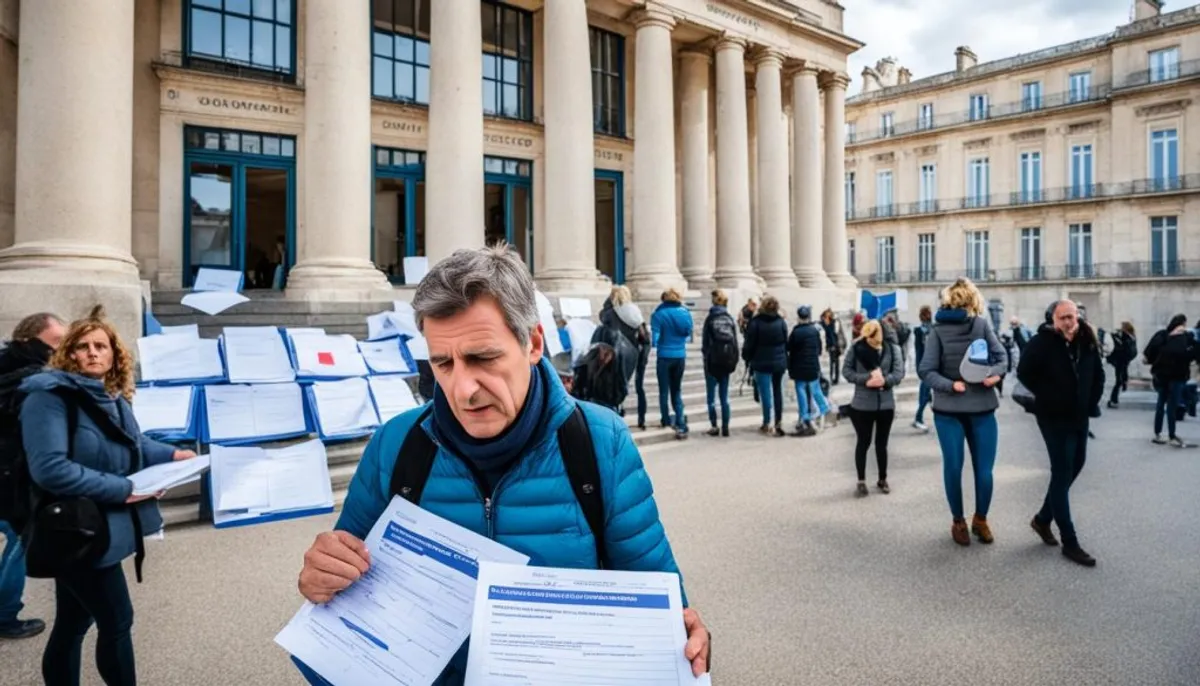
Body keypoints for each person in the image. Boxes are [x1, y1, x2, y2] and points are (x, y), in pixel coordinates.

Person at [294, 246, 710, 684]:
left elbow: (660, 602)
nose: (462, 389)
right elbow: (342, 581)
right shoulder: (396, 444)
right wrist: (322, 578)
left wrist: (686, 641)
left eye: (482, 358)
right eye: (443, 363)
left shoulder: (600, 442)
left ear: (532, 343)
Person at [19, 306, 198, 684]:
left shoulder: (112, 395)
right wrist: (125, 489)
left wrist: (173, 455)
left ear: (115, 354)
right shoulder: (49, 397)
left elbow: (133, 444)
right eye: (82, 346)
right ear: (69, 353)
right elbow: (50, 469)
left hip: (98, 527)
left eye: (101, 345)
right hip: (74, 528)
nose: (93, 352)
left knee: (74, 620)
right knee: (117, 620)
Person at [918, 277, 1008, 547]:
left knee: (953, 467)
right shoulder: (981, 324)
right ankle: (980, 521)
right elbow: (1002, 357)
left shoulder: (936, 330)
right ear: (973, 300)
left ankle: (959, 522)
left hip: (948, 410)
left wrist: (948, 385)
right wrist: (993, 375)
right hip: (981, 407)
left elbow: (926, 370)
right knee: (985, 470)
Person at [1018, 300, 1105, 567]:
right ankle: (1070, 541)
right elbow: (1024, 373)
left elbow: (1098, 374)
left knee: (1077, 465)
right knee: (1061, 471)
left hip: (1079, 416)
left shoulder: (1086, 338)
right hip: (1053, 418)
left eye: (1073, 317)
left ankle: (1043, 518)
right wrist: (1049, 398)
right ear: (1052, 319)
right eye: (1064, 317)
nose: (1069, 322)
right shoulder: (1041, 343)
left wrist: (1090, 402)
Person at [0, 313, 66, 640]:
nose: (60, 351)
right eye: (55, 343)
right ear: (29, 341)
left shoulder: (7, 365)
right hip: (12, 478)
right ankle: (5, 614)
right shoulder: (32, 381)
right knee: (20, 541)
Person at [843, 320, 904, 497]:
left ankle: (882, 478)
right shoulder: (856, 348)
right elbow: (846, 371)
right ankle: (861, 481)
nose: (874, 344)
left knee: (882, 444)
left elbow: (899, 373)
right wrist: (866, 378)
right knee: (863, 442)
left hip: (885, 403)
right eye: (870, 340)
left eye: (876, 340)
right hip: (862, 404)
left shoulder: (893, 349)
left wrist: (885, 380)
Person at [597, 285, 650, 429]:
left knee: (615, 386)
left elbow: (603, 326)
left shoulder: (609, 313)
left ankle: (616, 417)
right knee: (639, 387)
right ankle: (642, 419)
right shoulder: (635, 312)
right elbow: (645, 336)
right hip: (634, 355)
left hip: (615, 355)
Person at [1143, 314, 1194, 447]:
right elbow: (1190, 355)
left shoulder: (1162, 335)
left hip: (1161, 375)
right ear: (1182, 324)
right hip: (1177, 376)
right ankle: (1172, 434)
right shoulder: (1185, 337)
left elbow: (1149, 353)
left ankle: (1158, 433)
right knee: (1172, 405)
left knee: (1161, 403)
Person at [743, 295, 789, 437]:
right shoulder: (781, 322)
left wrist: (746, 357)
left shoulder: (756, 322)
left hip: (761, 361)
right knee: (777, 391)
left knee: (765, 393)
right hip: (778, 361)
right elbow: (785, 342)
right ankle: (778, 421)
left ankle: (767, 422)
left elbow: (750, 343)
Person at [652, 288, 695, 438]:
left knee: (663, 390)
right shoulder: (686, 313)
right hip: (680, 355)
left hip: (664, 355)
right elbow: (689, 334)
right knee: (676, 390)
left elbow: (655, 340)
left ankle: (665, 419)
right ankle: (681, 421)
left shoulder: (659, 314)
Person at [787, 305, 831, 436]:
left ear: (799, 317)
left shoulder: (795, 332)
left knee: (801, 392)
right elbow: (819, 349)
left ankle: (805, 416)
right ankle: (824, 408)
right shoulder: (814, 331)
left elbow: (789, 348)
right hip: (812, 366)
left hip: (799, 367)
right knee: (815, 389)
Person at [700, 289, 738, 437]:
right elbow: (734, 341)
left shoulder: (710, 319)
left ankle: (714, 425)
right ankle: (726, 426)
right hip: (726, 361)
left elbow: (705, 343)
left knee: (711, 397)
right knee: (724, 396)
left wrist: (706, 357)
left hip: (712, 361)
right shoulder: (729, 319)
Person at [911, 305, 933, 432]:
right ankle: (918, 418)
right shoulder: (920, 331)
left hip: (926, 366)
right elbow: (919, 351)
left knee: (927, 393)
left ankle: (922, 416)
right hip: (926, 367)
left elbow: (918, 351)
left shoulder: (931, 330)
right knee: (925, 393)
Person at [1106, 321, 1137, 409]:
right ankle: (1115, 397)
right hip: (1123, 361)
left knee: (1118, 380)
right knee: (1119, 380)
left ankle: (1114, 399)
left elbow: (1121, 347)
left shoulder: (1125, 336)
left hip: (1121, 360)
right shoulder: (1132, 336)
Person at [820, 308, 845, 384]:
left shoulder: (833, 323)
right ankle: (833, 378)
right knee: (833, 362)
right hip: (831, 345)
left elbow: (835, 335)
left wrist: (834, 345)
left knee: (835, 362)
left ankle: (835, 379)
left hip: (835, 345)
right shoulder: (825, 323)